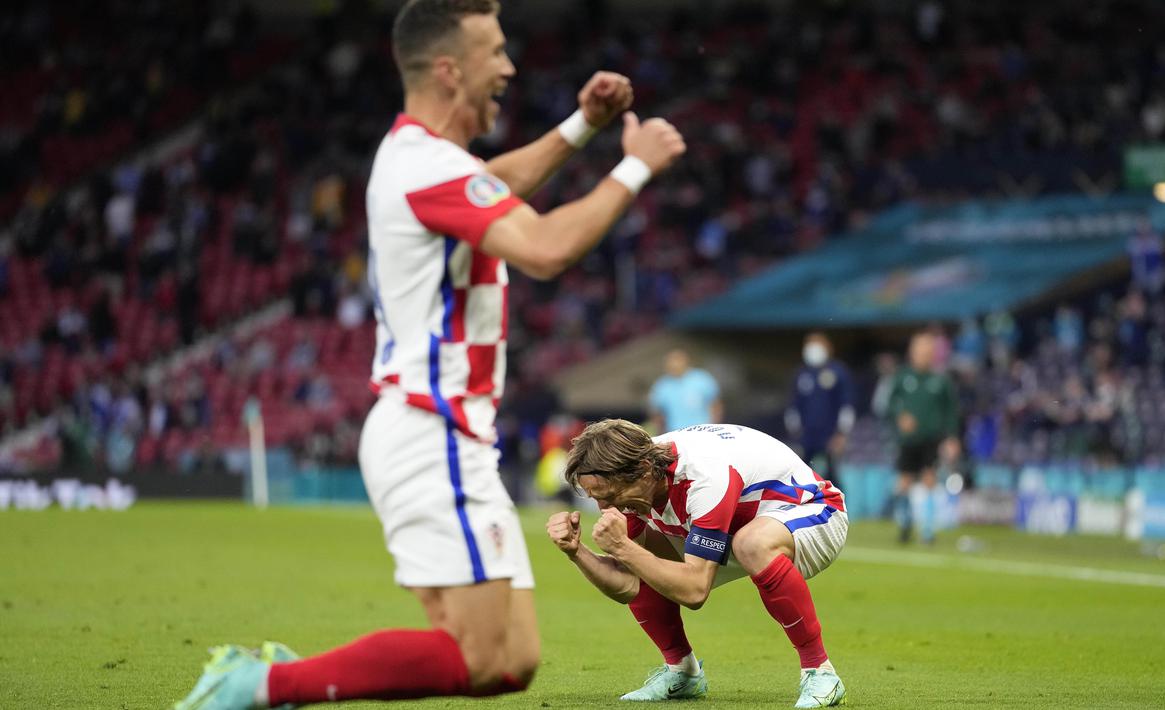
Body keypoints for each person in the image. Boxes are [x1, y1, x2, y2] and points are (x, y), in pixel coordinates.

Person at [175, 1, 686, 707]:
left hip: (447, 434)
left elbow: (494, 183)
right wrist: (632, 169)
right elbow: (544, 248)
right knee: (481, 656)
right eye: (496, 52)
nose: (509, 66)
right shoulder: (422, 164)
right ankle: (259, 683)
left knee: (512, 661)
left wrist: (582, 128)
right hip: (430, 427)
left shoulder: (421, 158)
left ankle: (270, 681)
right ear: (449, 69)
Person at [546, 419, 849, 708]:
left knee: (750, 544)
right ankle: (682, 673)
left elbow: (694, 591)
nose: (604, 507)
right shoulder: (631, 470)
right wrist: (577, 553)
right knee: (647, 562)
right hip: (737, 525)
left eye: (609, 496)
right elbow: (628, 584)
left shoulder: (703, 476)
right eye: (596, 498)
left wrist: (624, 548)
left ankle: (820, 672)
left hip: (814, 511)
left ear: (645, 472)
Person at [884, 331, 960, 544]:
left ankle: (927, 531)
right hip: (907, 441)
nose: (923, 354)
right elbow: (889, 404)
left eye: (927, 350)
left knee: (929, 480)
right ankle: (905, 524)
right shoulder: (902, 377)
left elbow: (951, 412)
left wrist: (952, 437)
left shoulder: (940, 380)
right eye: (919, 350)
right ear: (912, 352)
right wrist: (900, 417)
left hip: (931, 440)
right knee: (904, 482)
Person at [785, 331, 855, 490]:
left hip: (830, 435)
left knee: (832, 477)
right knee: (802, 475)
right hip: (806, 436)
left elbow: (846, 406)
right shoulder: (801, 374)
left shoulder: (838, 372)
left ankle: (837, 509)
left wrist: (842, 433)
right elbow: (793, 407)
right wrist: (795, 433)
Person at [648, 348, 722, 432]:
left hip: (703, 431)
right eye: (671, 362)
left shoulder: (702, 378)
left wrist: (714, 427)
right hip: (675, 433)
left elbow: (715, 405)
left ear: (686, 361)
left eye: (677, 361)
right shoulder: (662, 386)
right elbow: (657, 413)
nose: (674, 365)